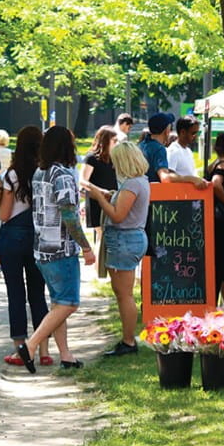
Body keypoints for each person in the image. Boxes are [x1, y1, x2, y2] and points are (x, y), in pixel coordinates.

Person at [15, 126, 95, 373]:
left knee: (58, 303)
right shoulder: (62, 175)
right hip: (61, 249)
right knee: (69, 304)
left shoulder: (41, 172)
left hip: (41, 248)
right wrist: (86, 246)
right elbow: (70, 216)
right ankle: (30, 346)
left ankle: (66, 355)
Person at [83, 141, 150, 356]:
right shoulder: (140, 181)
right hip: (129, 239)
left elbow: (118, 215)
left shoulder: (132, 184)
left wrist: (98, 197)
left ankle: (129, 341)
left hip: (124, 240)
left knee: (124, 295)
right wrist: (109, 194)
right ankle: (128, 339)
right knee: (123, 293)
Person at [0, 126, 51, 367]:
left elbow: (4, 215)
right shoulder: (45, 172)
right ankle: (43, 349)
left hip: (12, 237)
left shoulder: (12, 175)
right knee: (38, 294)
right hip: (38, 237)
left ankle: (20, 348)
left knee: (15, 294)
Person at [138, 113, 206, 188]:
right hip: (153, 195)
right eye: (170, 127)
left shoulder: (141, 145)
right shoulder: (159, 149)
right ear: (166, 130)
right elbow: (165, 178)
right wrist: (190, 178)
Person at [205, 132, 224, 304]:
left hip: (214, 215)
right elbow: (216, 183)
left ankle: (222, 302)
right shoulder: (222, 165)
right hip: (221, 217)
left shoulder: (213, 164)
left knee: (219, 264)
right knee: (223, 265)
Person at [80, 126, 118, 235]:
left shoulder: (114, 158)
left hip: (113, 200)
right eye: (114, 141)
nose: (117, 144)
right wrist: (100, 191)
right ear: (105, 141)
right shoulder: (92, 158)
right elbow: (83, 180)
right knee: (101, 235)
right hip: (97, 201)